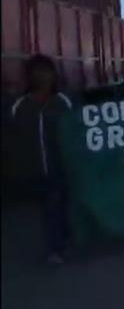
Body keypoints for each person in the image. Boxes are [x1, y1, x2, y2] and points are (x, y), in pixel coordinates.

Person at [9, 55, 73, 264]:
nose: (42, 76)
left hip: (60, 166)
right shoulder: (19, 106)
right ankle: (57, 244)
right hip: (34, 169)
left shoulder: (64, 103)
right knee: (48, 207)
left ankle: (58, 247)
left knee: (57, 205)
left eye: (46, 71)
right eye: (37, 72)